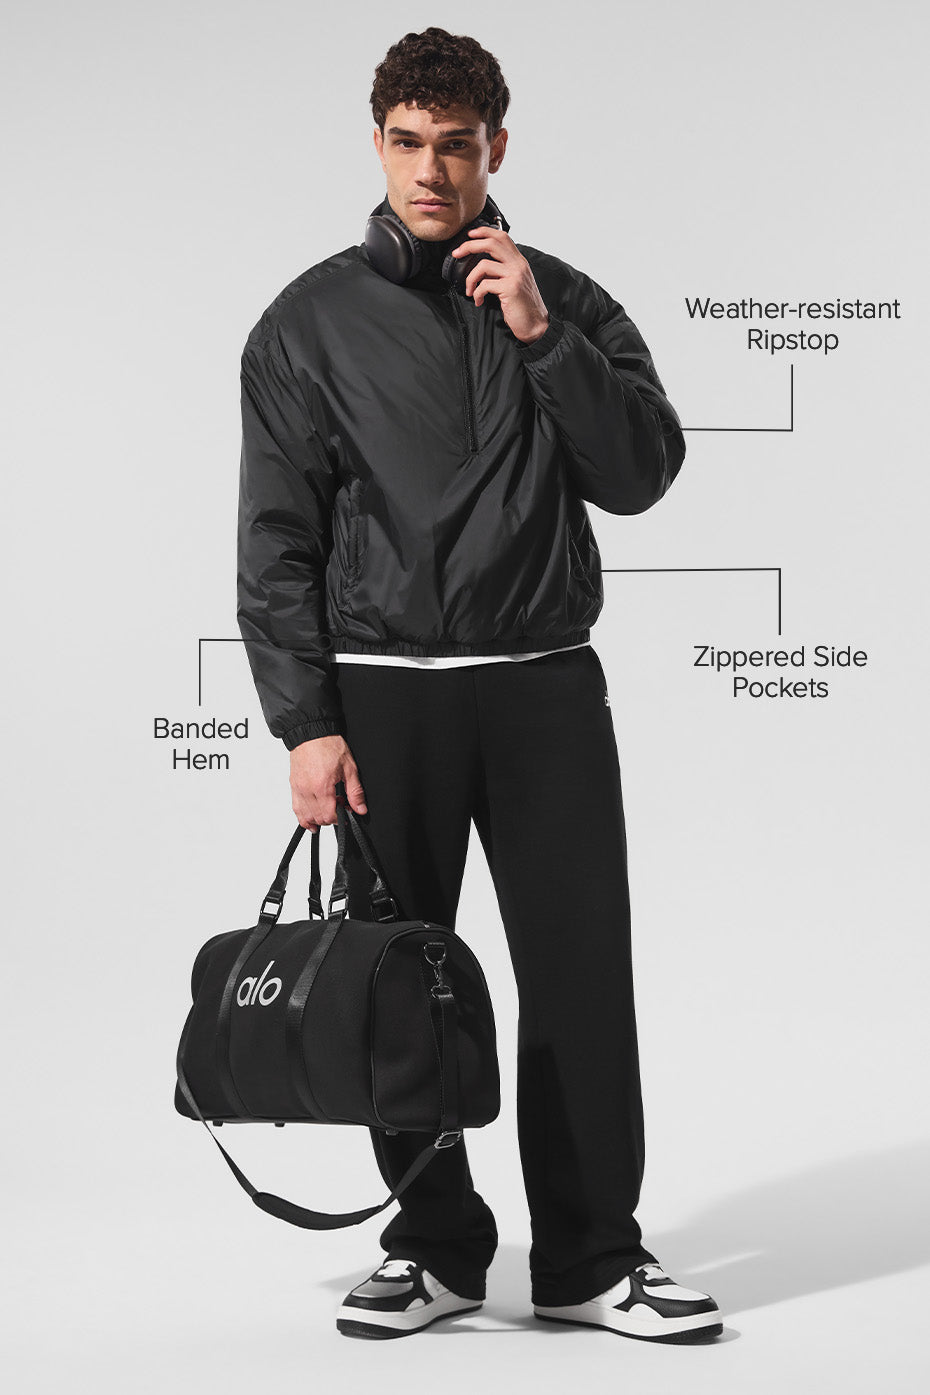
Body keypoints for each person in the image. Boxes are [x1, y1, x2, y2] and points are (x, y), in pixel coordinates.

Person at [237, 27, 722, 1344]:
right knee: (402, 984)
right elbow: (276, 540)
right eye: (407, 142)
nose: (430, 171)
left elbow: (641, 475)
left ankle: (589, 1259)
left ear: (495, 148)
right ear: (377, 142)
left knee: (580, 977)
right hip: (384, 696)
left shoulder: (566, 301)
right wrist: (306, 724)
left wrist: (543, 338)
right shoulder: (306, 323)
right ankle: (436, 1249)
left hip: (542, 689)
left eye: (456, 145)